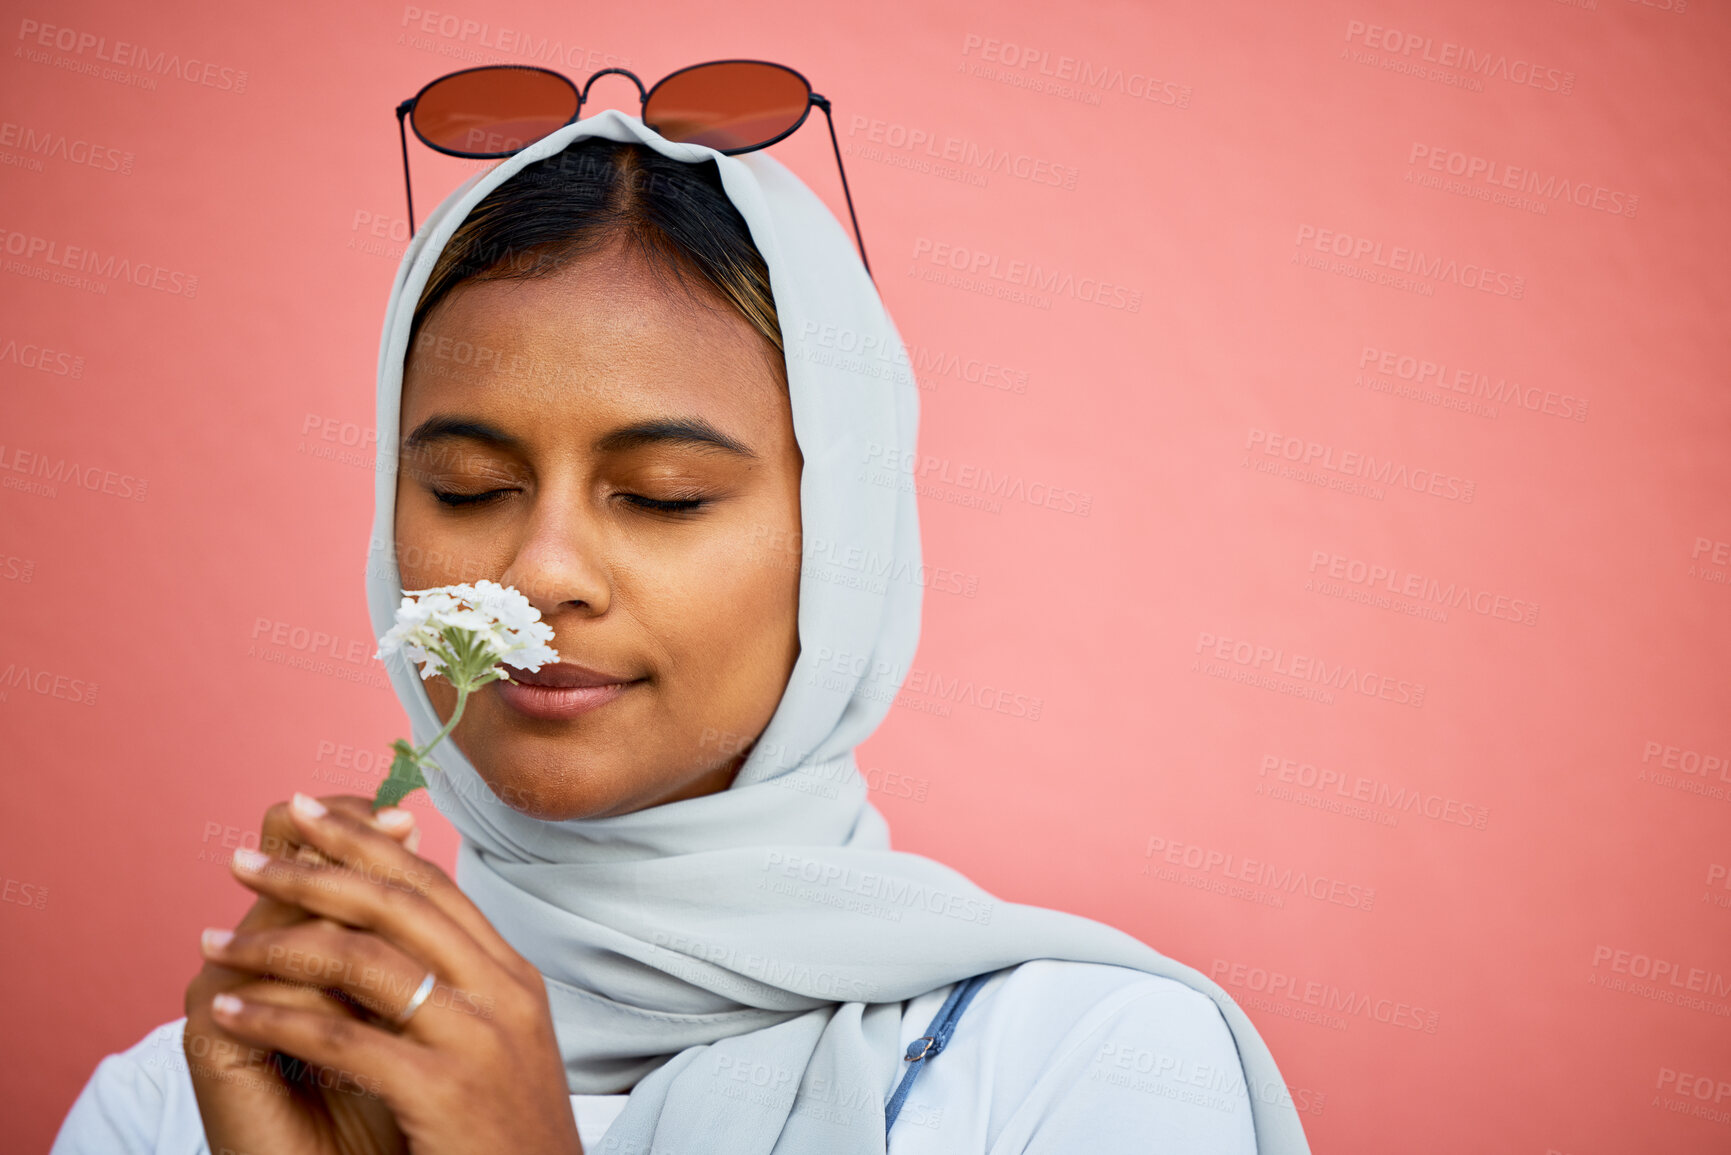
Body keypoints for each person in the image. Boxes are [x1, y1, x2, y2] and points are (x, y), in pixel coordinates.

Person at [51, 110, 1311, 1154]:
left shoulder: (1086, 1071)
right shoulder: (197, 1101)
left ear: (844, 539)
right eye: (468, 490)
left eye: (663, 496)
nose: (541, 573)